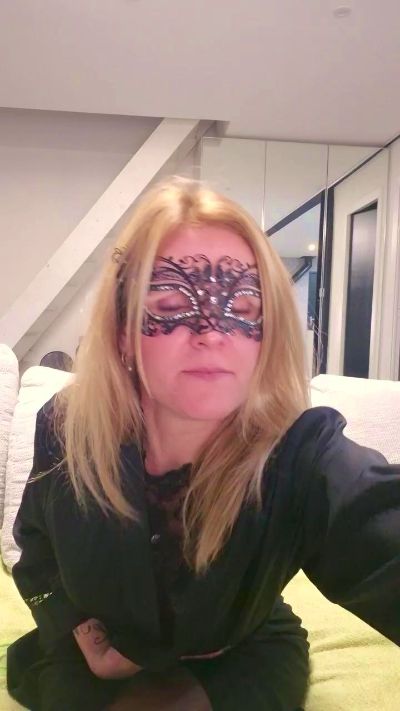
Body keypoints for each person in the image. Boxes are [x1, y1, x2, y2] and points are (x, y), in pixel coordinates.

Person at [7, 177, 400, 711]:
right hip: (89, 663)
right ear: (122, 331)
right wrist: (84, 633)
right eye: (170, 302)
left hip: (237, 656)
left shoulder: (299, 455)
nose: (213, 332)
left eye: (244, 304)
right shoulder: (66, 427)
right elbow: (36, 549)